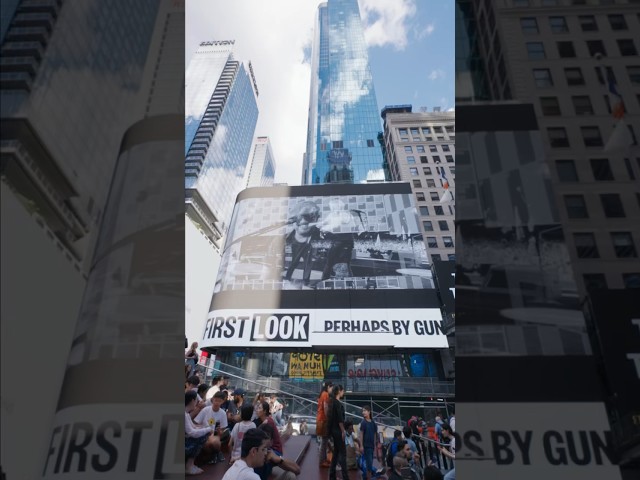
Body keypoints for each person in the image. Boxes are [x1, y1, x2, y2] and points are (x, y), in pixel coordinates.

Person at [283, 201, 322, 286]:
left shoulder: (317, 230)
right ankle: (288, 277)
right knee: (295, 261)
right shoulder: (296, 221)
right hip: (298, 244)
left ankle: (305, 281)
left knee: (308, 263)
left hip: (309, 244)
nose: (304, 220)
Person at [194, 391, 230, 464]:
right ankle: (214, 455)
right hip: (203, 433)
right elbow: (196, 423)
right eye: (215, 400)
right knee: (210, 443)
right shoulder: (206, 410)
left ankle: (214, 455)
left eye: (219, 401)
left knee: (214, 442)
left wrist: (219, 431)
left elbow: (222, 430)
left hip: (215, 435)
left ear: (223, 401)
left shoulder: (222, 413)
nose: (216, 403)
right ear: (212, 399)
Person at [185, 390, 213, 476]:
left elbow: (193, 426)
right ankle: (189, 466)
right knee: (202, 436)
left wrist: (204, 428)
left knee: (203, 433)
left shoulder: (186, 413)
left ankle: (191, 464)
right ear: (193, 401)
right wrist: (208, 429)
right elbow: (192, 433)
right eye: (197, 401)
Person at [328, 384, 349, 480]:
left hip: (333, 431)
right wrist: (343, 431)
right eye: (343, 390)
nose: (343, 392)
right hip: (338, 431)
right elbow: (340, 419)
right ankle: (345, 477)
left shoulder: (332, 402)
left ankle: (332, 475)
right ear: (339, 391)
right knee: (343, 454)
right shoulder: (337, 403)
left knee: (336, 453)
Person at [359, 405, 384, 479]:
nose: (363, 412)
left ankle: (367, 477)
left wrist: (376, 445)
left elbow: (375, 435)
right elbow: (361, 434)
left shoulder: (373, 423)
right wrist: (361, 445)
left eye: (365, 411)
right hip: (366, 446)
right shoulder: (363, 422)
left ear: (369, 412)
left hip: (371, 446)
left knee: (369, 464)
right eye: (362, 411)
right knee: (369, 465)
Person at [316, 381, 333, 467]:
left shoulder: (321, 394)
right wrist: (328, 419)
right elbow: (325, 407)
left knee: (324, 441)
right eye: (331, 388)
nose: (332, 390)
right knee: (324, 442)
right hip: (323, 420)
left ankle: (324, 460)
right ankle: (322, 461)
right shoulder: (325, 394)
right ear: (328, 387)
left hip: (319, 419)